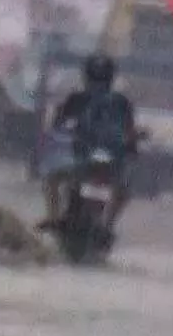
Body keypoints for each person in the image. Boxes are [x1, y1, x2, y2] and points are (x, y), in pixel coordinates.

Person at [43, 55, 138, 225]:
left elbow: (57, 124)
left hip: (85, 159)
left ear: (85, 76)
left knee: (52, 179)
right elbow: (130, 132)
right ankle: (108, 225)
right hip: (107, 163)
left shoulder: (78, 98)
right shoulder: (121, 102)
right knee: (123, 190)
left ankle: (53, 218)